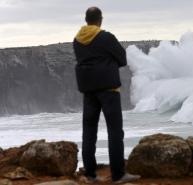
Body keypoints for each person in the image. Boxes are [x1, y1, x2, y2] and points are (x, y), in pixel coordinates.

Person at [73, 7, 140, 183]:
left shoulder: (77, 40)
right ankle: (118, 174)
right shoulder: (106, 37)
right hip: (108, 89)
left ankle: (90, 174)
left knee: (89, 131)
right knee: (115, 131)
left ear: (86, 20)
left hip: (88, 90)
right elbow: (122, 58)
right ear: (100, 20)